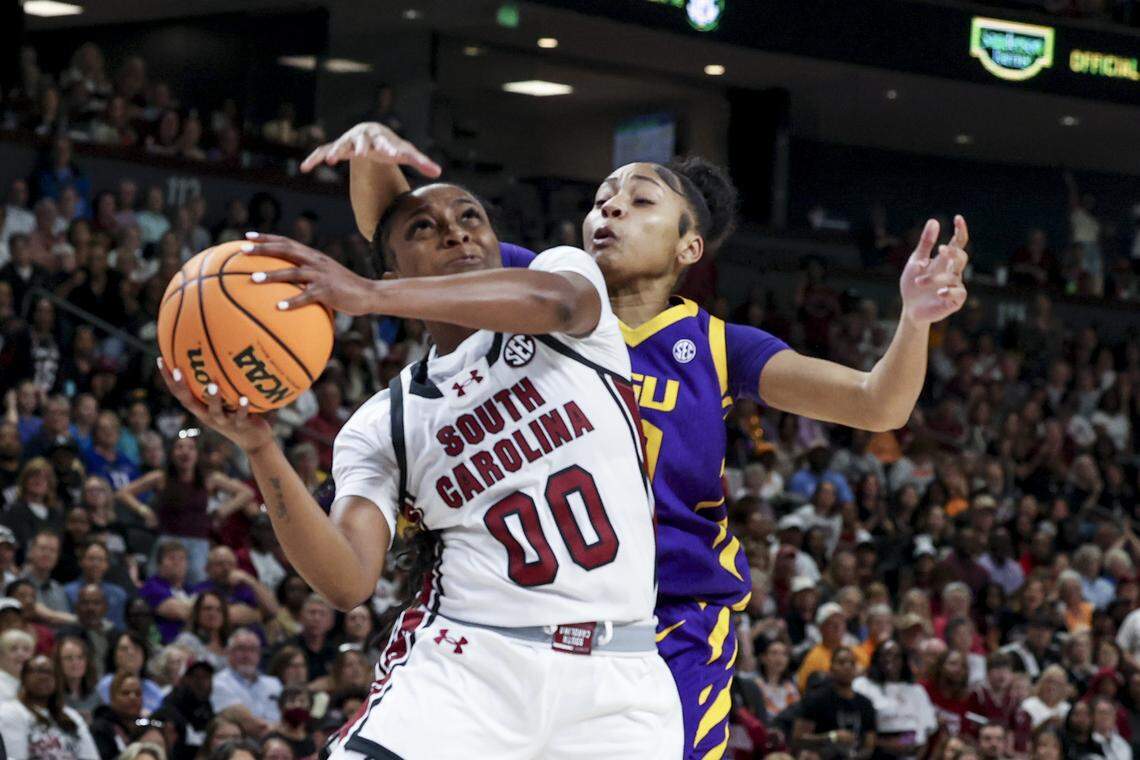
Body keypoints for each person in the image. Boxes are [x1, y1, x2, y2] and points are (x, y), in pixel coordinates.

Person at [329, 120, 968, 759]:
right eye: (604, 198)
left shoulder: (719, 346)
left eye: (640, 202)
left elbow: (876, 404)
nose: (612, 208)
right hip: (541, 612)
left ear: (689, 248)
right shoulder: (548, 288)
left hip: (675, 615)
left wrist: (913, 321)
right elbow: (399, 228)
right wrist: (370, 153)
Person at [161, 180, 681, 759]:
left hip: (621, 680)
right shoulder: (384, 422)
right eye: (423, 228)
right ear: (393, 277)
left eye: (470, 215)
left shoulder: (564, 287)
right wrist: (260, 448)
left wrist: (366, 296)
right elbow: (347, 581)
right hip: (469, 666)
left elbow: (555, 303)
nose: (456, 230)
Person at [117, 433, 254, 586]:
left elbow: (247, 493)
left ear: (197, 454)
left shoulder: (209, 479)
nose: (185, 452)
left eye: (190, 448)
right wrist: (144, 510)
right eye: (179, 447)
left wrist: (224, 510)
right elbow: (123, 493)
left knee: (198, 586)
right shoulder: (161, 477)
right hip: (168, 540)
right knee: (157, 583)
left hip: (198, 541)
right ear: (172, 453)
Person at [0, 654, 100, 758]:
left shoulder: (71, 715)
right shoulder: (11, 711)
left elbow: (91, 756)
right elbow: (14, 757)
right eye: (37, 671)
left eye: (49, 672)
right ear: (24, 677)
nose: (44, 677)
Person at [853, 639, 937, 759]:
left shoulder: (916, 691)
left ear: (903, 660)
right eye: (885, 654)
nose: (890, 659)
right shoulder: (863, 685)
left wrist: (902, 742)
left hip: (908, 753)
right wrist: (885, 743)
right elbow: (858, 728)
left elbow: (921, 733)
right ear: (876, 658)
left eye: (896, 656)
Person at [794, 647, 877, 759]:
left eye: (852, 663)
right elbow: (798, 739)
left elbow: (869, 746)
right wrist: (832, 736)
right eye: (841, 662)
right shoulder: (817, 699)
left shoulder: (865, 704)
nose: (847, 667)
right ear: (831, 668)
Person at [209, 628, 282, 738]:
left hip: (278, 744)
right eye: (241, 649)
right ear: (228, 652)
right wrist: (283, 729)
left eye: (253, 650)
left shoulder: (274, 684)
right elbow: (251, 725)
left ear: (259, 655)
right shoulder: (217, 683)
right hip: (240, 743)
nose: (247, 655)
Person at [96, 631, 165, 713]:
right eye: (124, 649)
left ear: (144, 654)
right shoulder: (106, 684)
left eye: (136, 648)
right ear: (114, 655)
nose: (131, 653)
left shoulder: (152, 689)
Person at [90, 670, 146, 758]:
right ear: (112, 697)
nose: (133, 697)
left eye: (138, 693)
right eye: (125, 693)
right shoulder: (100, 729)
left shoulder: (146, 727)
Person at [172, 591, 230, 671]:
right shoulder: (186, 641)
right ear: (197, 613)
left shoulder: (231, 644)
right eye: (207, 609)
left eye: (219, 610)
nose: (213, 613)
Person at [54, 634, 101, 720]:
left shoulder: (95, 694)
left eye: (80, 657)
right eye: (68, 658)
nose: (75, 662)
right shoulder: (53, 694)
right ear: (58, 662)